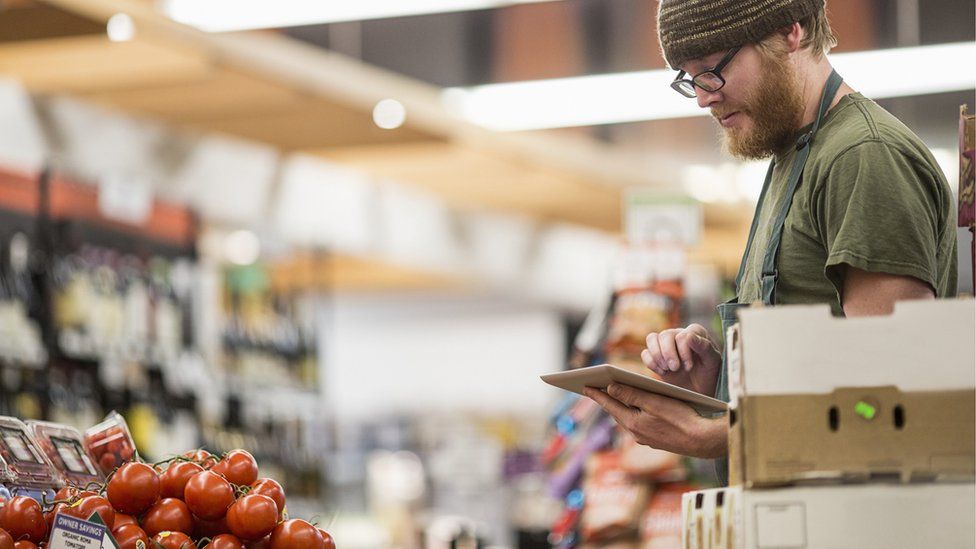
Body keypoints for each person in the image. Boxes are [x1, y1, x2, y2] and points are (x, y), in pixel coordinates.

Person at [583, 0, 959, 479]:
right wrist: (716, 377)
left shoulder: (861, 158)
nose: (702, 98)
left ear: (789, 33)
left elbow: (889, 392)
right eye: (688, 78)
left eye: (711, 71)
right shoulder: (792, 157)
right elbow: (818, 362)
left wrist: (717, 435)